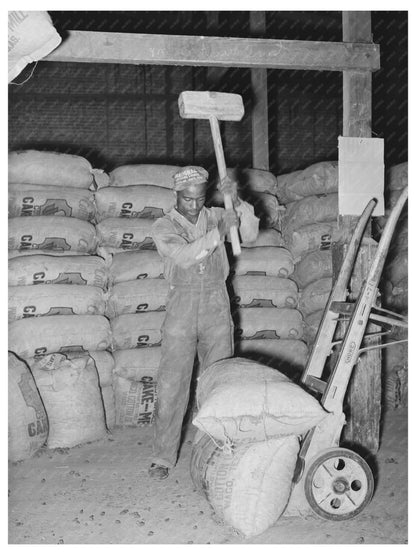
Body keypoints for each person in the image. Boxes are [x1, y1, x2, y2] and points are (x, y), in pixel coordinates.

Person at [148, 165, 259, 480]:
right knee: (172, 384)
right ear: (176, 195)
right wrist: (217, 236)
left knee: (219, 382)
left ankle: (217, 450)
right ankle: (162, 456)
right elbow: (183, 256)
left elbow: (249, 234)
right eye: (187, 199)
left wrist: (236, 201)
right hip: (181, 308)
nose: (194, 205)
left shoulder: (217, 214)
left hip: (215, 304)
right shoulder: (164, 225)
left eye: (198, 198)